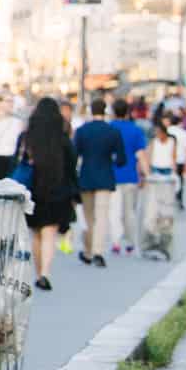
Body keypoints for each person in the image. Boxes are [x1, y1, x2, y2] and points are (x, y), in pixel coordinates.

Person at [16, 97, 77, 292]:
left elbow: (18, 163)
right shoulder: (63, 140)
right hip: (57, 192)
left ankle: (38, 271)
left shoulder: (27, 138)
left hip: (33, 191)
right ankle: (45, 273)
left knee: (36, 234)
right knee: (49, 233)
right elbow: (72, 167)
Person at [71, 102, 126, 266]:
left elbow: (74, 155)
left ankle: (88, 250)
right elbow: (121, 159)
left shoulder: (82, 131)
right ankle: (98, 252)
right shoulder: (113, 132)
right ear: (105, 111)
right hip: (105, 177)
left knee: (89, 217)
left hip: (86, 177)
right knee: (102, 216)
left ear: (90, 111)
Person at [107, 96, 148, 256]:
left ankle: (116, 242)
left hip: (112, 175)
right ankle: (130, 242)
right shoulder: (135, 130)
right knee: (129, 211)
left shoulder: (109, 128)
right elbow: (141, 155)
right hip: (131, 175)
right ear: (127, 112)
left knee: (114, 210)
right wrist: (146, 174)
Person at [0, 89, 23, 187]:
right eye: (8, 101)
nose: (11, 104)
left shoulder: (17, 122)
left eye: (12, 101)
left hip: (11, 160)